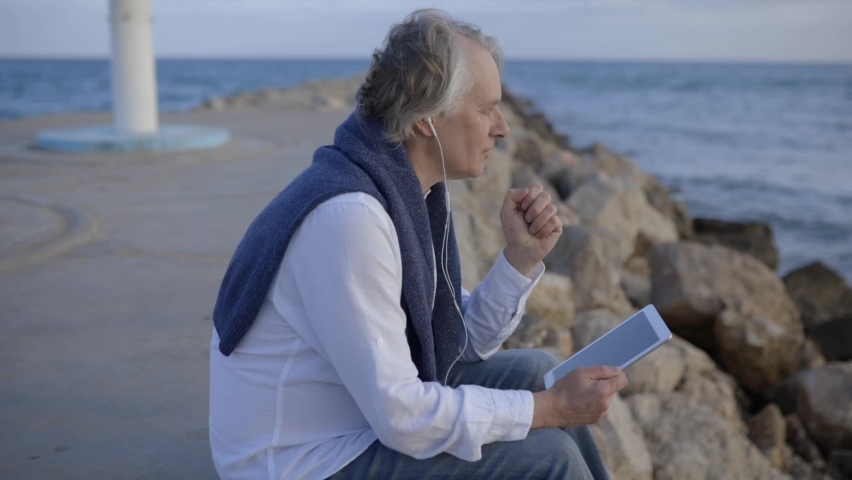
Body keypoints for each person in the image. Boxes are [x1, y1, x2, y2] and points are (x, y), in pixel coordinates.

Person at [209, 8, 628, 480]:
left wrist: (520, 260)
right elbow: (402, 416)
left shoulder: (408, 190)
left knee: (536, 370)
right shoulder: (352, 220)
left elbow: (455, 344)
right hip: (300, 460)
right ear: (428, 118)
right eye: (486, 108)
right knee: (549, 456)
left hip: (352, 419)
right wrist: (550, 410)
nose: (503, 127)